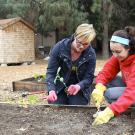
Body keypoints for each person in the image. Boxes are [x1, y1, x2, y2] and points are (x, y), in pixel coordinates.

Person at [43, 23, 96, 105]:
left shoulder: (90, 54)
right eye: (79, 42)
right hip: (61, 86)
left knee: (76, 106)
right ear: (75, 36)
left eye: (86, 44)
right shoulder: (60, 47)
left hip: (80, 88)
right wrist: (51, 90)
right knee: (56, 105)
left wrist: (78, 86)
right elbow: (50, 72)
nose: (81, 47)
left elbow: (89, 78)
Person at [92, 26, 135, 125]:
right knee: (107, 82)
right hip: (131, 87)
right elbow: (106, 71)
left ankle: (124, 107)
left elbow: (131, 92)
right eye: (112, 51)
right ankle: (123, 105)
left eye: (118, 52)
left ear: (129, 48)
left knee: (110, 94)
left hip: (133, 91)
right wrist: (99, 87)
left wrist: (110, 111)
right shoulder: (119, 56)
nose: (114, 55)